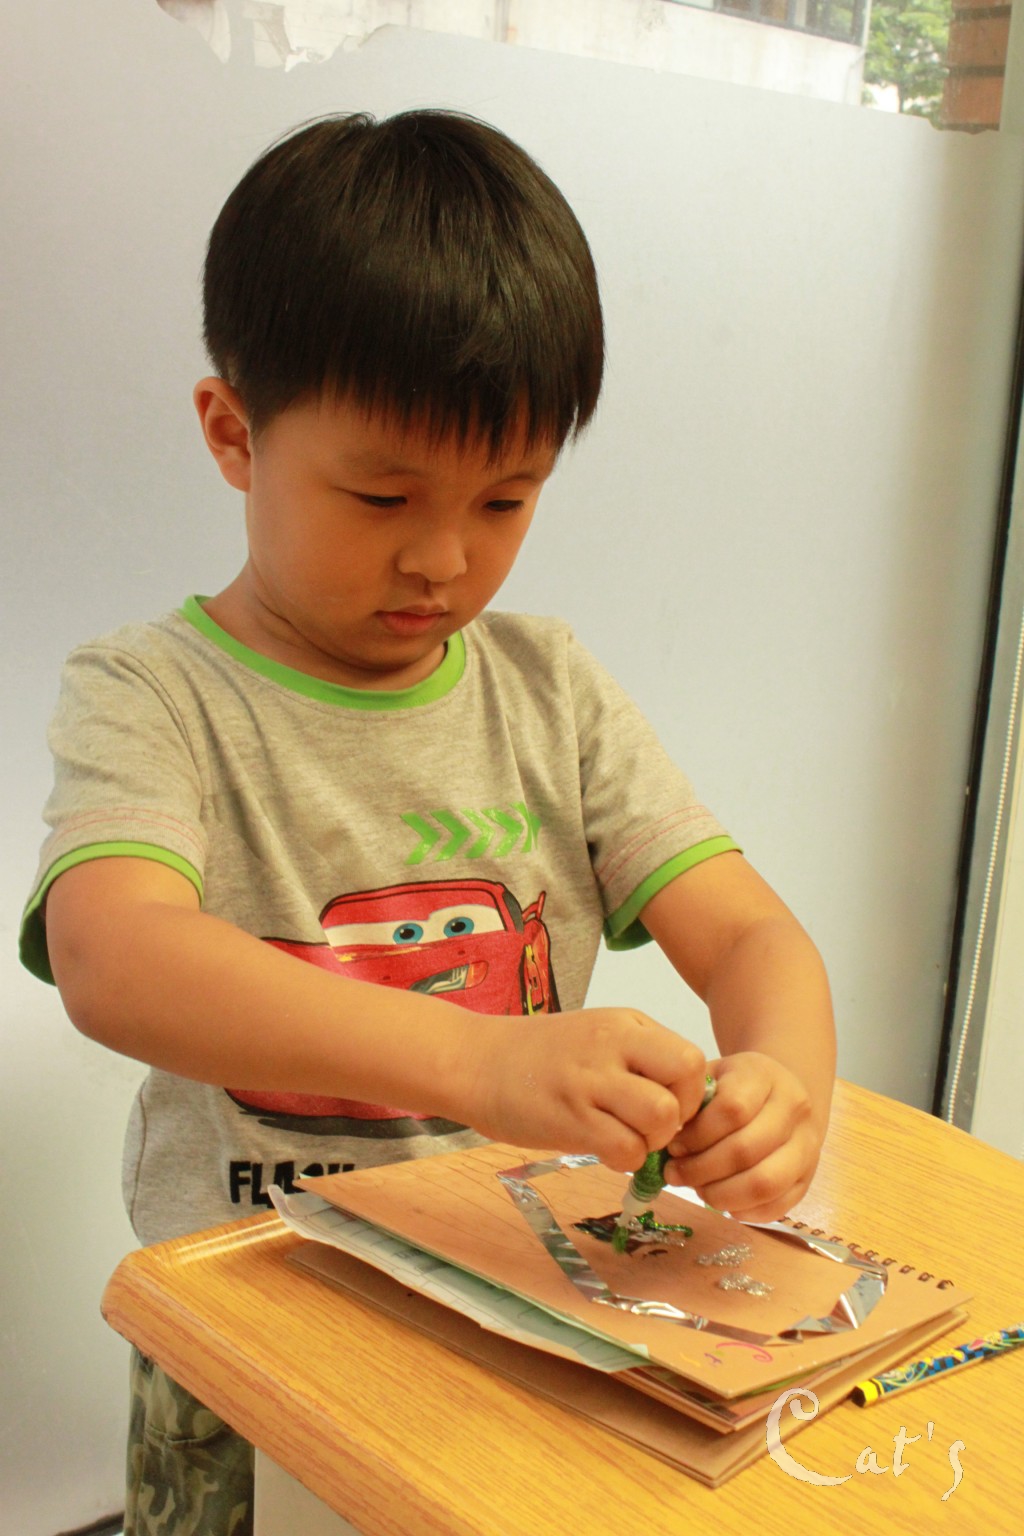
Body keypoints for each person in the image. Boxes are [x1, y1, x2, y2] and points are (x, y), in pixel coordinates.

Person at [20, 110, 835, 1536]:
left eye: (507, 499)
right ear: (233, 432)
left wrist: (782, 1087)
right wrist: (483, 1061)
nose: (445, 557)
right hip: (250, 1316)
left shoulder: (552, 689)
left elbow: (754, 935)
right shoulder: (154, 692)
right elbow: (112, 956)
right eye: (382, 494)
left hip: (517, 1309)